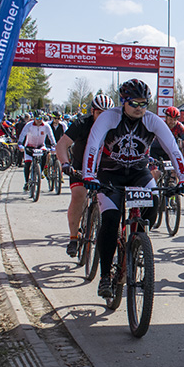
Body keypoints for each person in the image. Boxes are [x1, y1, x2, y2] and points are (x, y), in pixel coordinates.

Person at [82, 79, 184, 299]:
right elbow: (93, 145)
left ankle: (138, 243)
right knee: (111, 219)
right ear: (123, 102)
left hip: (138, 173)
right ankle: (105, 276)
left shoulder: (152, 120)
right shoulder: (109, 117)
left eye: (144, 103)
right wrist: (89, 174)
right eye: (134, 104)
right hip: (109, 174)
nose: (140, 108)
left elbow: (173, 149)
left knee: (153, 202)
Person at [56, 94, 115, 257]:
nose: (104, 117)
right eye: (99, 113)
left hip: (104, 168)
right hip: (80, 167)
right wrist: (65, 164)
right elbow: (61, 145)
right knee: (78, 196)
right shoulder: (81, 123)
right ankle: (74, 238)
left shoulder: (115, 126)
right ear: (92, 112)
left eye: (107, 114)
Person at [18, 111, 56, 191]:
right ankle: (27, 182)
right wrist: (20, 144)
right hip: (29, 146)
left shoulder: (46, 126)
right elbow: (22, 135)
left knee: (45, 156)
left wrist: (54, 145)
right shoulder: (29, 125)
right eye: (37, 118)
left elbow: (51, 136)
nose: (39, 120)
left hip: (40, 146)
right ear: (34, 118)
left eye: (41, 118)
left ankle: (40, 172)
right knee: (27, 164)